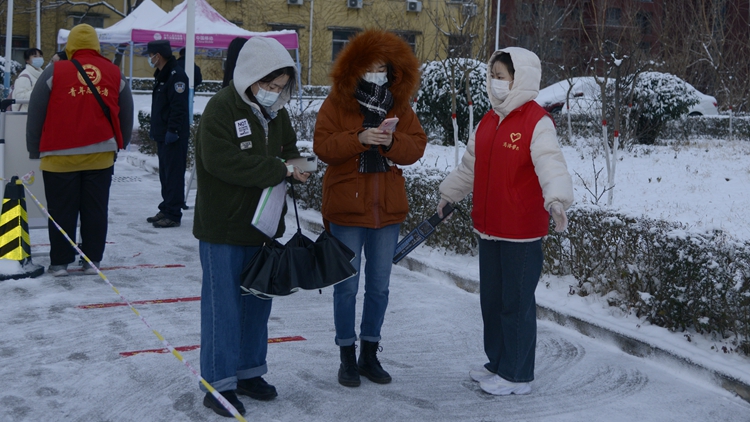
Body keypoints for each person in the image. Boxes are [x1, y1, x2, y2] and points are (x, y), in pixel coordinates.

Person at [436, 47, 574, 396]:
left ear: (520, 78)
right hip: (489, 228)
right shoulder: (488, 120)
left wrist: (557, 200)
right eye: (493, 75)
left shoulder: (536, 121)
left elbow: (551, 164)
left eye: (502, 76)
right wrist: (449, 194)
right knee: (492, 301)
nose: (495, 82)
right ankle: (497, 363)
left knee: (516, 303)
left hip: (521, 233)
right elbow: (469, 168)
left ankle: (517, 375)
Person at [192, 37, 309, 417]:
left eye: (280, 87)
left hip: (263, 228)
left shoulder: (277, 113)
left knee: (257, 304)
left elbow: (289, 150)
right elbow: (220, 161)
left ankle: (249, 372)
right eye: (269, 85)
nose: (274, 93)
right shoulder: (221, 108)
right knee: (223, 309)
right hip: (223, 229)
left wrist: (299, 166)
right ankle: (219, 384)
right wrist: (278, 169)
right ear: (251, 76)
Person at [312, 29, 427, 388]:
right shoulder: (337, 102)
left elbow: (417, 145)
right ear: (356, 68)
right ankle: (346, 355)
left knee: (379, 288)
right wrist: (359, 138)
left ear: (392, 71)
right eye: (370, 67)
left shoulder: (398, 105)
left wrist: (391, 141)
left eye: (382, 68)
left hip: (386, 212)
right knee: (346, 287)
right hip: (347, 211)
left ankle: (369, 353)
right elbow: (323, 146)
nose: (376, 74)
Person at [25, 23, 133, 277]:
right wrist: (121, 143)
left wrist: (33, 148)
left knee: (61, 211)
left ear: (70, 45)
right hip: (100, 157)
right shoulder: (114, 73)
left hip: (59, 157)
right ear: (96, 45)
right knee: (95, 210)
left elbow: (36, 112)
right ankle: (92, 260)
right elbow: (126, 113)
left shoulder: (54, 71)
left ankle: (60, 263)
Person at [145, 40, 189, 228]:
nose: (149, 59)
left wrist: (173, 130)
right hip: (163, 134)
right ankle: (167, 206)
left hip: (173, 135)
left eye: (150, 55)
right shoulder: (163, 75)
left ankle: (173, 213)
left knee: (173, 175)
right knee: (165, 174)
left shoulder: (176, 75)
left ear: (158, 55)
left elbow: (178, 107)